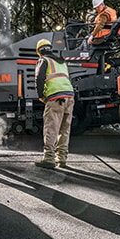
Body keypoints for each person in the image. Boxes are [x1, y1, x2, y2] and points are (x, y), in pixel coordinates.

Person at [33, 39, 75, 169]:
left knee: (51, 128)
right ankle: (61, 158)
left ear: (39, 52)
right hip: (69, 96)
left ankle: (49, 158)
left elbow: (39, 78)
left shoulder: (44, 60)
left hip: (55, 97)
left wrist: (41, 95)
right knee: (64, 129)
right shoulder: (61, 61)